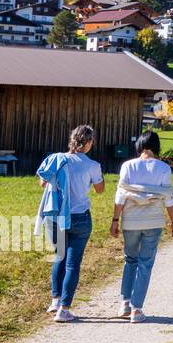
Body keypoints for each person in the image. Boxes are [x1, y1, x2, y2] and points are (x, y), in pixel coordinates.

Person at [36, 125, 105, 323]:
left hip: (56, 216)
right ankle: (64, 309)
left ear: (72, 140)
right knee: (73, 264)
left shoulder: (55, 159)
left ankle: (55, 301)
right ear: (89, 142)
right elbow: (100, 190)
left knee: (59, 258)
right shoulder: (93, 165)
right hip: (80, 217)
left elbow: (43, 183)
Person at [110, 131, 173, 323]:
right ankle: (136, 309)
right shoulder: (164, 168)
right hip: (154, 221)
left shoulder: (127, 166)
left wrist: (115, 220)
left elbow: (120, 196)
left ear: (140, 145)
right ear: (156, 147)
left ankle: (124, 303)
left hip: (130, 221)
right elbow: (168, 198)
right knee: (145, 264)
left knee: (130, 260)